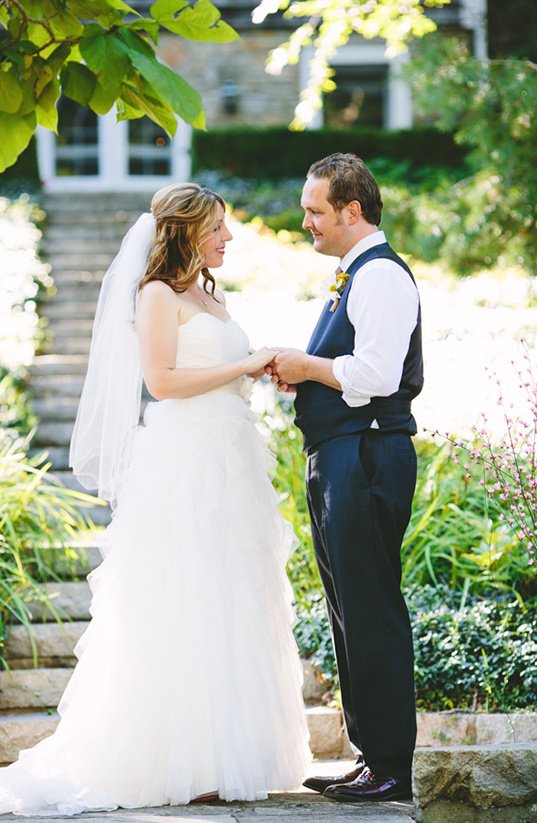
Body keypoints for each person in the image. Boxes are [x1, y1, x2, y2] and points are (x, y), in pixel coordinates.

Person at [0, 183, 310, 816]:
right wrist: (244, 364)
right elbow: (163, 382)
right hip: (185, 462)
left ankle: (228, 754)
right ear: (188, 232)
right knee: (184, 597)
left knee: (231, 597)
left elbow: (221, 367)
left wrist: (259, 370)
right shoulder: (156, 294)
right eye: (219, 228)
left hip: (232, 456)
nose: (229, 238)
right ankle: (178, 757)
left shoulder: (206, 294)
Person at [268, 153, 423, 803]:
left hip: (366, 452)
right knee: (347, 609)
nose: (306, 222)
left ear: (351, 211)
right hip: (341, 453)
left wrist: (306, 366)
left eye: (315, 211)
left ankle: (390, 764)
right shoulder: (352, 273)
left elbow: (377, 376)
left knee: (370, 605)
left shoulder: (381, 276)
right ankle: (372, 755)